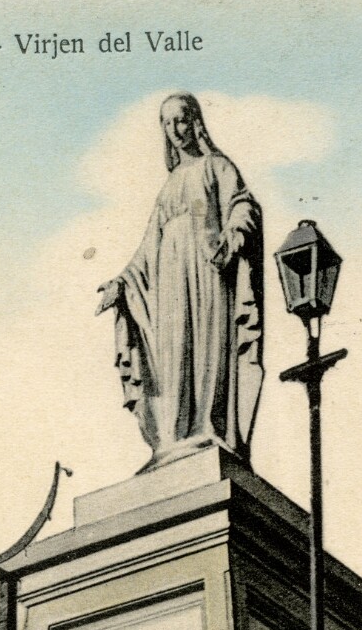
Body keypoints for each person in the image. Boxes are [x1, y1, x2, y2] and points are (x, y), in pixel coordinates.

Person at [96, 93, 264, 466]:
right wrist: (121, 283)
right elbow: (147, 249)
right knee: (174, 354)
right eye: (167, 122)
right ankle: (175, 437)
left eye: (182, 119)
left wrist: (234, 233)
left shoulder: (216, 166)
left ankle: (209, 428)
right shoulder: (169, 186)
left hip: (208, 271)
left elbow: (243, 204)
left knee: (207, 348)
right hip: (170, 282)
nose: (175, 129)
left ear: (196, 122)